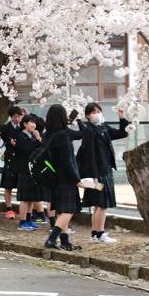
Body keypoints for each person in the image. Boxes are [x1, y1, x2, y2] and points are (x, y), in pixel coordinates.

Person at [78, 102, 129, 244]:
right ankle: (100, 234)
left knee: (98, 205)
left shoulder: (103, 127)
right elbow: (89, 154)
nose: (97, 114)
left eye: (98, 111)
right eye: (93, 112)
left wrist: (122, 118)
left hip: (105, 170)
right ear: (88, 116)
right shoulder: (89, 130)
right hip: (98, 173)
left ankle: (95, 234)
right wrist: (94, 176)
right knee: (101, 204)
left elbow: (122, 133)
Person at [43, 104, 83, 251]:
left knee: (62, 211)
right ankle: (52, 240)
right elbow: (67, 161)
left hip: (54, 177)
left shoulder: (48, 135)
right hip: (65, 178)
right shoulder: (63, 135)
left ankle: (65, 241)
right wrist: (76, 180)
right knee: (68, 210)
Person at [15, 115, 44, 231]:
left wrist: (38, 139)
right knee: (25, 199)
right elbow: (27, 150)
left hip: (33, 170)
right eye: (31, 122)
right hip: (24, 170)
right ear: (25, 124)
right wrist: (37, 140)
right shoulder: (21, 136)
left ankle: (29, 220)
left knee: (31, 198)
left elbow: (39, 149)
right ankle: (22, 222)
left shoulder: (32, 135)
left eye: (35, 123)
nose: (33, 125)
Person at [0, 106, 22, 219]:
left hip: (21, 158)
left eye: (19, 116)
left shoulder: (23, 127)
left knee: (21, 185)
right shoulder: (5, 128)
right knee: (8, 185)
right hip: (9, 158)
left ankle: (23, 209)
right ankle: (9, 208)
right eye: (15, 116)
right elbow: (0, 143)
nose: (17, 119)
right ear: (11, 117)